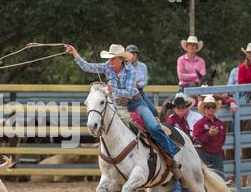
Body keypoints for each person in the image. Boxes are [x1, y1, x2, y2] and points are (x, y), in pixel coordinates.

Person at [66, 43, 182, 180]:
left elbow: (128, 92)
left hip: (135, 102)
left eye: (113, 58)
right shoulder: (107, 67)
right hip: (117, 104)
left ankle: (172, 157)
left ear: (121, 59)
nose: (110, 61)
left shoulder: (131, 71)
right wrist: (75, 53)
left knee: (153, 126)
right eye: (110, 58)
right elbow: (87, 67)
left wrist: (112, 90)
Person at [193, 95, 235, 192]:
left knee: (221, 181)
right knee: (204, 181)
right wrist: (209, 135)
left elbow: (222, 139)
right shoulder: (200, 124)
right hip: (204, 155)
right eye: (208, 107)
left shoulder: (220, 123)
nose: (210, 109)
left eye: (212, 106)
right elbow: (197, 141)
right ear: (204, 109)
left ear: (215, 108)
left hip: (216, 155)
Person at [164, 94, 201, 192]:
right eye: (178, 108)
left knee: (185, 182)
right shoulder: (170, 121)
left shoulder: (183, 121)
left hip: (183, 157)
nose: (181, 110)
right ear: (174, 109)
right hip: (173, 156)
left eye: (183, 108)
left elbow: (186, 138)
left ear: (186, 108)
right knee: (173, 184)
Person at [125, 45, 158, 117]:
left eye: (134, 54)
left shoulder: (143, 66)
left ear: (137, 55)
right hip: (126, 94)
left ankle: (153, 125)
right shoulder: (124, 66)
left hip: (140, 92)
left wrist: (138, 85)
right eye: (130, 54)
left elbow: (145, 81)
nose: (132, 56)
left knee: (153, 110)